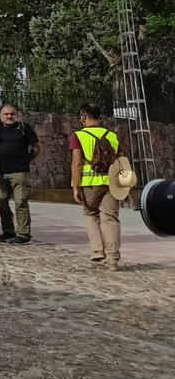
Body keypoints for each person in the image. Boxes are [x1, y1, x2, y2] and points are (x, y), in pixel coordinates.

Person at [70, 104, 124, 271]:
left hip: (90, 184)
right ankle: (113, 260)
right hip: (112, 183)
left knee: (90, 212)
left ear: (83, 117)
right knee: (111, 218)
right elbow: (122, 160)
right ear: (100, 117)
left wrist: (75, 187)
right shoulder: (113, 136)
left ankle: (97, 250)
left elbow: (77, 163)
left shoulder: (78, 136)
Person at [0, 104, 38, 244]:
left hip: (19, 172)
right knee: (0, 200)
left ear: (16, 115)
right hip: (0, 172)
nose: (9, 116)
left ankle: (23, 234)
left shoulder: (24, 128)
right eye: (6, 114)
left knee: (20, 202)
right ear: (1, 116)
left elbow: (36, 148)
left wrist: (27, 160)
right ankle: (8, 231)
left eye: (12, 114)